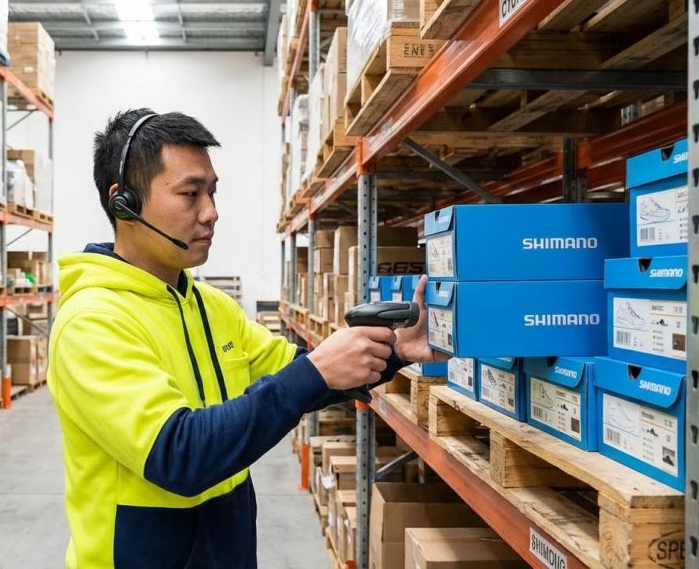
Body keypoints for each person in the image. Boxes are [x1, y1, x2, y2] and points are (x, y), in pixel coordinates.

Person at [47, 108, 445, 568]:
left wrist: (394, 351)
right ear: (124, 202)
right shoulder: (92, 321)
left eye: (212, 193)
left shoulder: (211, 307)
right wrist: (313, 372)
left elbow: (300, 372)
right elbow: (179, 455)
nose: (211, 213)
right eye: (190, 194)